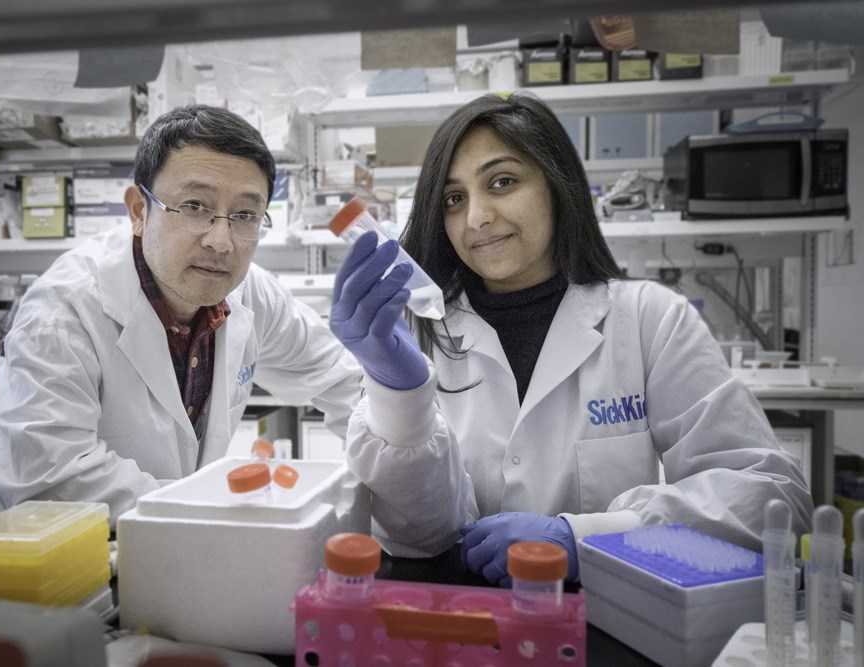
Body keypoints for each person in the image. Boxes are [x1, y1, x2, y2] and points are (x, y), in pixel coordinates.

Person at [329, 93, 812, 585]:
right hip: (462, 621)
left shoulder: (648, 319)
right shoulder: (416, 331)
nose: (476, 218)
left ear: (558, 188)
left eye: (503, 182)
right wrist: (400, 396)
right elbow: (421, 535)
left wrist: (589, 539)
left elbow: (771, 499)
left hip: (611, 621)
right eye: (454, 198)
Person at [0, 105, 363, 526]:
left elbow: (344, 381)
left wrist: (395, 461)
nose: (221, 242)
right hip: (78, 562)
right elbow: (50, 482)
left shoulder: (250, 293)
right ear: (138, 211)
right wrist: (208, 515)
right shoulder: (63, 312)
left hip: (186, 548)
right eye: (194, 206)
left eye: (244, 216)